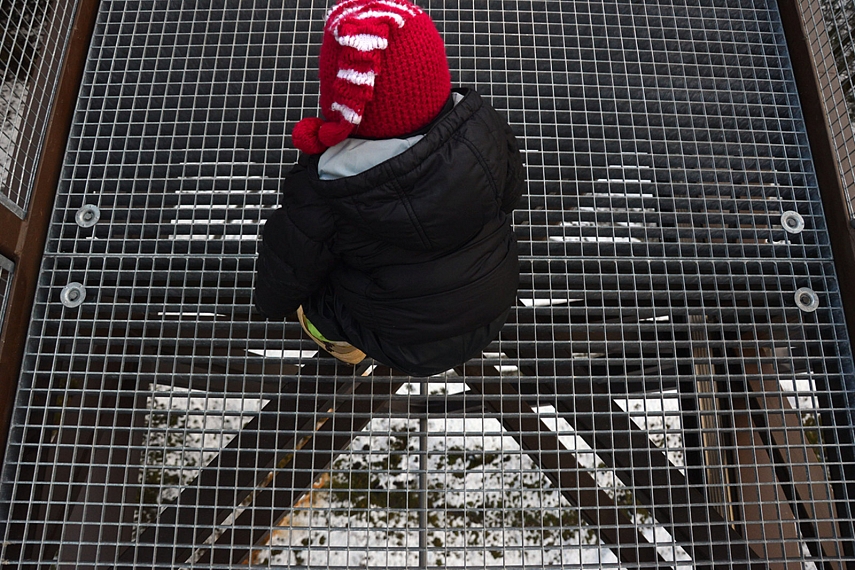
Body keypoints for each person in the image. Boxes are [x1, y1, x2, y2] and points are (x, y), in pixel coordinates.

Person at [254, 0, 525, 376]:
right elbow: (511, 195)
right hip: (492, 303)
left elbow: (287, 269)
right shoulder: (485, 129)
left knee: (316, 301)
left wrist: (270, 305)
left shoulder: (326, 191)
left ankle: (345, 347)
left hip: (402, 343)